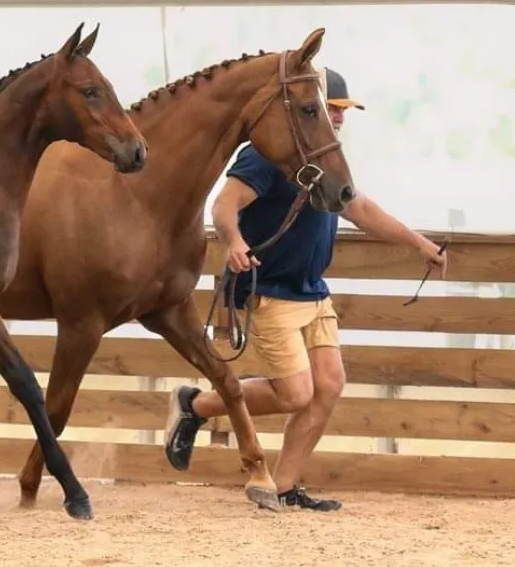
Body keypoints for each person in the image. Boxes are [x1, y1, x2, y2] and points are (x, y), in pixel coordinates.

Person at [164, 67, 448, 511]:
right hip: (271, 287)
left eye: (341, 112)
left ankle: (284, 486)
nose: (337, 119)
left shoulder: (325, 162)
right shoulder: (265, 155)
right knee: (296, 393)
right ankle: (197, 405)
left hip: (312, 289)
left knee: (329, 385)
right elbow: (224, 205)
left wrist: (419, 243)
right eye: (331, 109)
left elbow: (362, 208)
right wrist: (234, 241)